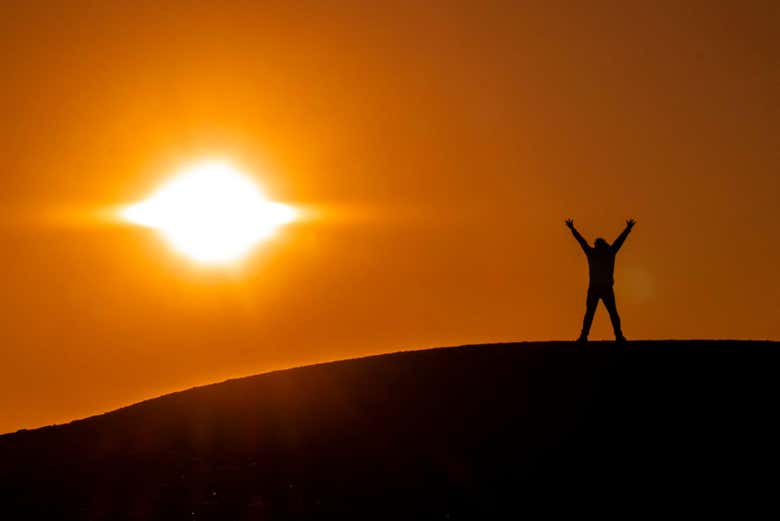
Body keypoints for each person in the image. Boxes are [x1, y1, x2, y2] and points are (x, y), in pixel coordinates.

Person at [565, 218, 635, 342]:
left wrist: (573, 230)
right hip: (601, 288)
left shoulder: (596, 253)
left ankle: (586, 336)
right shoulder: (608, 253)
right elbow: (619, 241)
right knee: (607, 313)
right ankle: (616, 336)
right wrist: (627, 229)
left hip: (599, 288)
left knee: (595, 313)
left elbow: (582, 242)